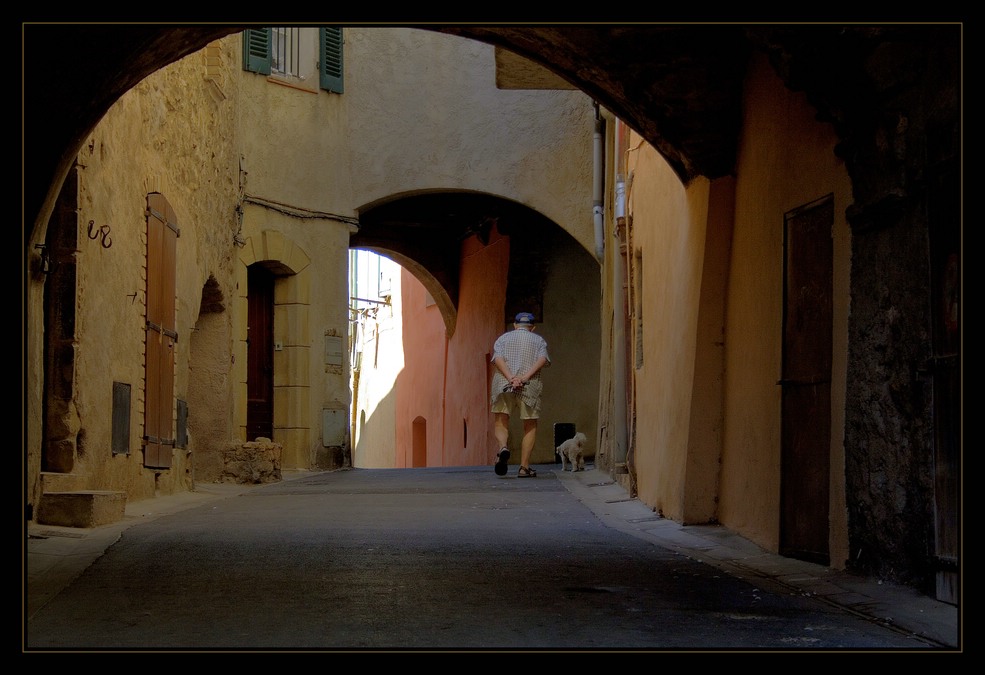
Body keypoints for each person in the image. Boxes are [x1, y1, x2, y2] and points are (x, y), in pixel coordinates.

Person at [490, 311, 551, 477]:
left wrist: (511, 378)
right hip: (529, 386)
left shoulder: (503, 339)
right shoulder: (538, 340)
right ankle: (524, 468)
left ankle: (503, 447)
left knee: (501, 420)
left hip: (503, 384)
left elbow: (498, 359)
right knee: (529, 425)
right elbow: (542, 360)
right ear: (532, 328)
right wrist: (523, 378)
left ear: (515, 325)